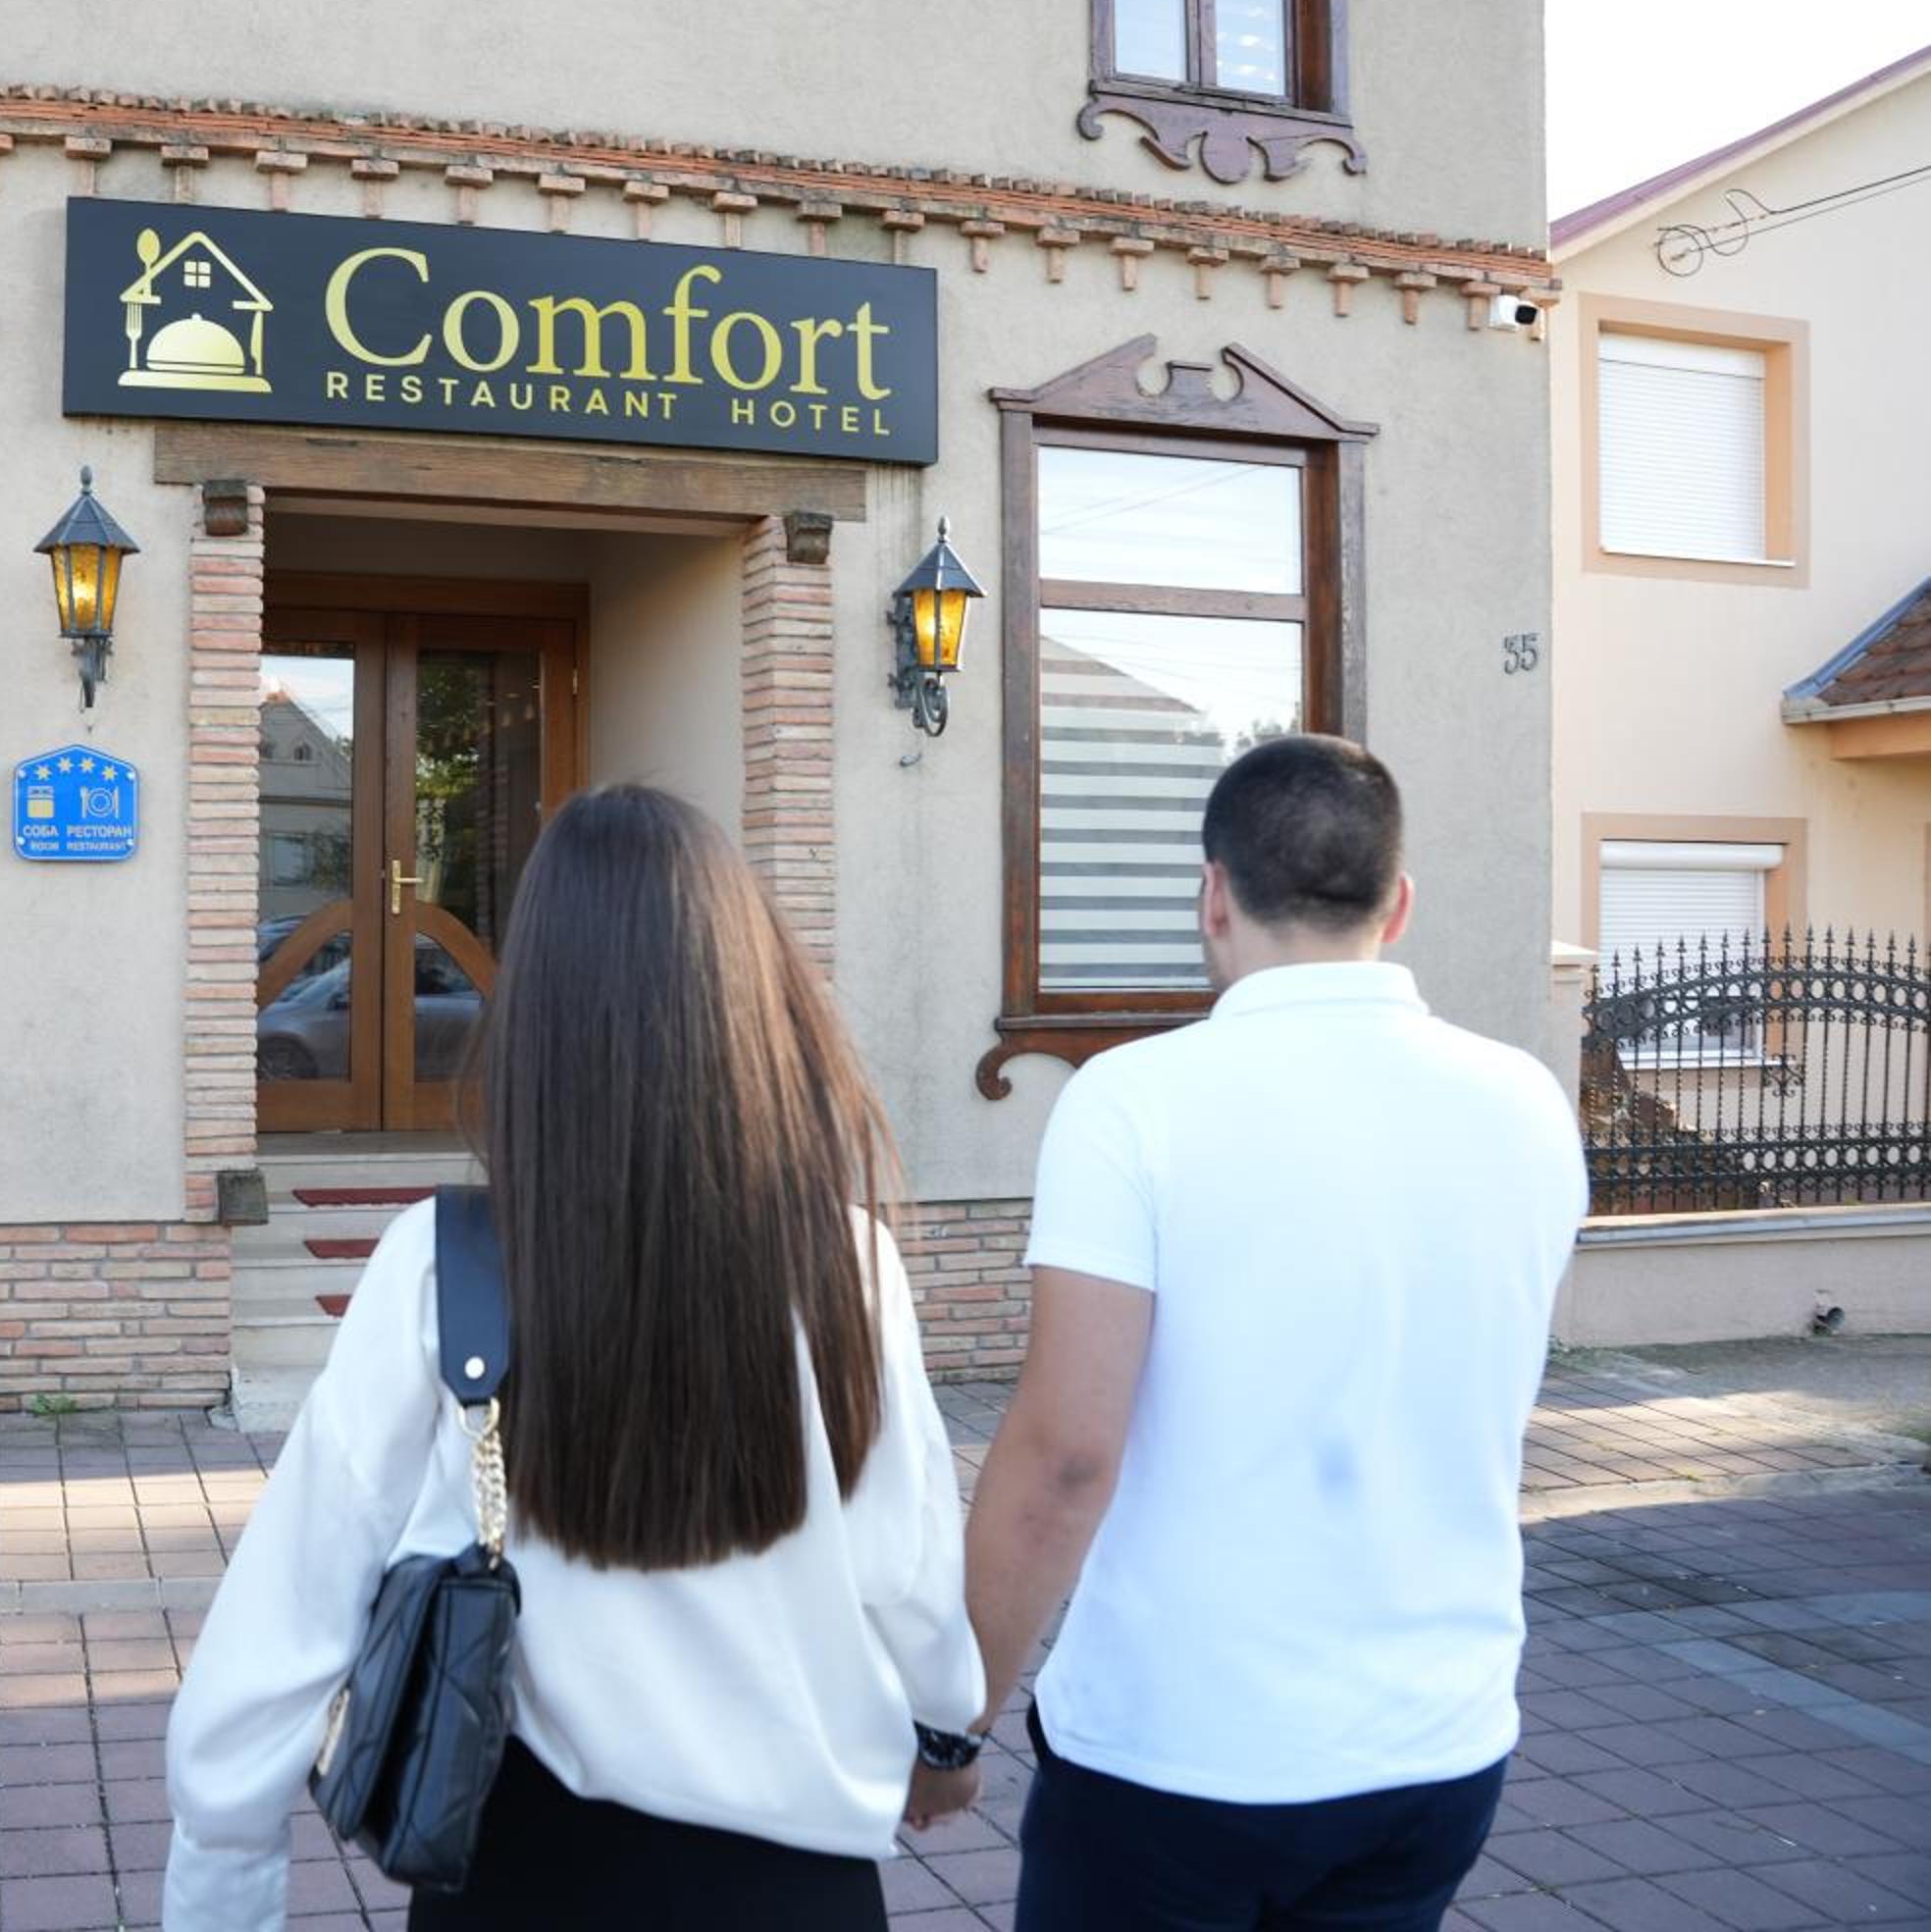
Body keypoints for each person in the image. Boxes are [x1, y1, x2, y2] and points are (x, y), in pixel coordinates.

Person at [163, 784, 985, 1931]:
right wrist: (946, 1732)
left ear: (533, 1010)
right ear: (750, 996)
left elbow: (290, 1611)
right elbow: (907, 1567)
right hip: (792, 1887)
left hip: (516, 1872)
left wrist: (222, 1885)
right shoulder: (848, 1257)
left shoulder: (443, 1261)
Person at [946, 734, 1589, 1930]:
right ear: (1399, 904)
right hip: (1435, 1742)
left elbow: (1065, 1457)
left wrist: (954, 1718)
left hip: (1182, 1752)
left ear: (1212, 893)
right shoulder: (1527, 1101)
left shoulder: (1132, 1101)